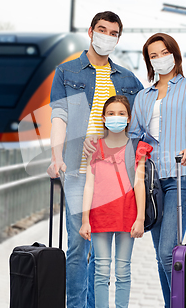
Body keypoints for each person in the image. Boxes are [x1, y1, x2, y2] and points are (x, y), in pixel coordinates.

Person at [48, 11, 144, 308]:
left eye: (113, 33)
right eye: (102, 30)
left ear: (118, 38)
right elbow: (59, 116)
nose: (107, 36)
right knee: (79, 245)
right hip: (78, 172)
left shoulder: (128, 78)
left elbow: (147, 113)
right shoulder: (67, 72)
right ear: (90, 32)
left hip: (114, 178)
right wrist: (56, 156)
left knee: (99, 250)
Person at [128, 33, 186, 307]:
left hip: (182, 177)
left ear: (174, 54)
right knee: (161, 254)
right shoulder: (143, 97)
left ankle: (184, 303)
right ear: (149, 62)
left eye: (164, 52)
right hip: (153, 182)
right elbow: (135, 135)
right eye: (153, 55)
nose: (160, 58)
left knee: (168, 253)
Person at [79, 95, 151, 308]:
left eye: (121, 114)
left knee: (123, 270)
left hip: (127, 216)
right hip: (100, 217)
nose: (116, 118)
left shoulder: (137, 148)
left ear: (129, 119)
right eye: (111, 114)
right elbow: (89, 185)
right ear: (103, 118)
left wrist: (140, 218)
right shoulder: (94, 148)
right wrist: (85, 220)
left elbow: (140, 184)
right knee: (100, 270)